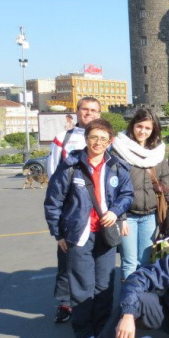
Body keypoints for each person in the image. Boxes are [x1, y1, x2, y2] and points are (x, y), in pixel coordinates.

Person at [44, 118, 134, 338]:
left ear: (110, 141)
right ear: (86, 139)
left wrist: (115, 212)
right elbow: (53, 202)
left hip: (105, 235)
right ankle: (84, 334)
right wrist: (58, 234)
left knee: (104, 285)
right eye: (94, 137)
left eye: (103, 139)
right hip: (78, 235)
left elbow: (126, 194)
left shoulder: (116, 165)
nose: (98, 142)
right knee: (82, 286)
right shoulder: (70, 165)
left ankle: (102, 331)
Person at [46, 97, 102, 324]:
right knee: (67, 259)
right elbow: (53, 178)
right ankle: (65, 302)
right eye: (85, 109)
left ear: (99, 113)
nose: (89, 113)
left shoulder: (107, 138)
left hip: (99, 212)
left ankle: (94, 302)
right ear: (77, 111)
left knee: (98, 259)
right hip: (73, 212)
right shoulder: (63, 139)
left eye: (94, 110)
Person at [111, 109, 169, 280]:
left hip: (150, 215)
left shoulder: (157, 153)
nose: (143, 131)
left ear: (154, 130)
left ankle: (142, 300)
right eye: (139, 126)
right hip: (127, 215)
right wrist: (120, 217)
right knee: (129, 261)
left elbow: (167, 185)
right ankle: (129, 303)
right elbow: (112, 188)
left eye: (147, 128)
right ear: (132, 126)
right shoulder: (119, 150)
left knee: (145, 261)